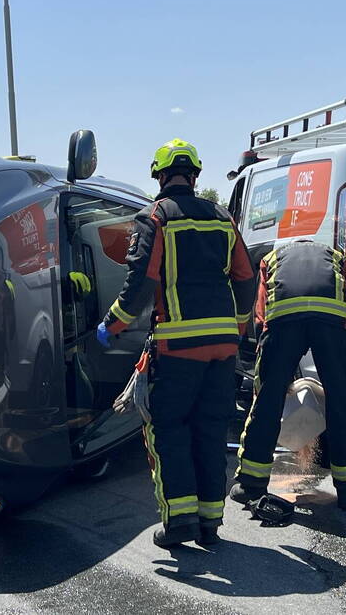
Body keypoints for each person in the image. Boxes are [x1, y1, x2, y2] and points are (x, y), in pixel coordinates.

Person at [97, 138, 256, 548]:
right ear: (195, 176)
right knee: (211, 429)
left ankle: (180, 521)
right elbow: (245, 277)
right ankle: (210, 523)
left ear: (160, 176)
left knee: (168, 429)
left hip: (177, 347)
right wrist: (238, 328)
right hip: (223, 347)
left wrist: (112, 325)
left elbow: (142, 282)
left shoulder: (156, 217)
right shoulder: (223, 218)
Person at [231, 240, 346, 511]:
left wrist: (269, 365)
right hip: (333, 322)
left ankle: (251, 484)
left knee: (267, 401)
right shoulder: (339, 257)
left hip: (284, 320)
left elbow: (260, 313)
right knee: (342, 402)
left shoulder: (270, 259)